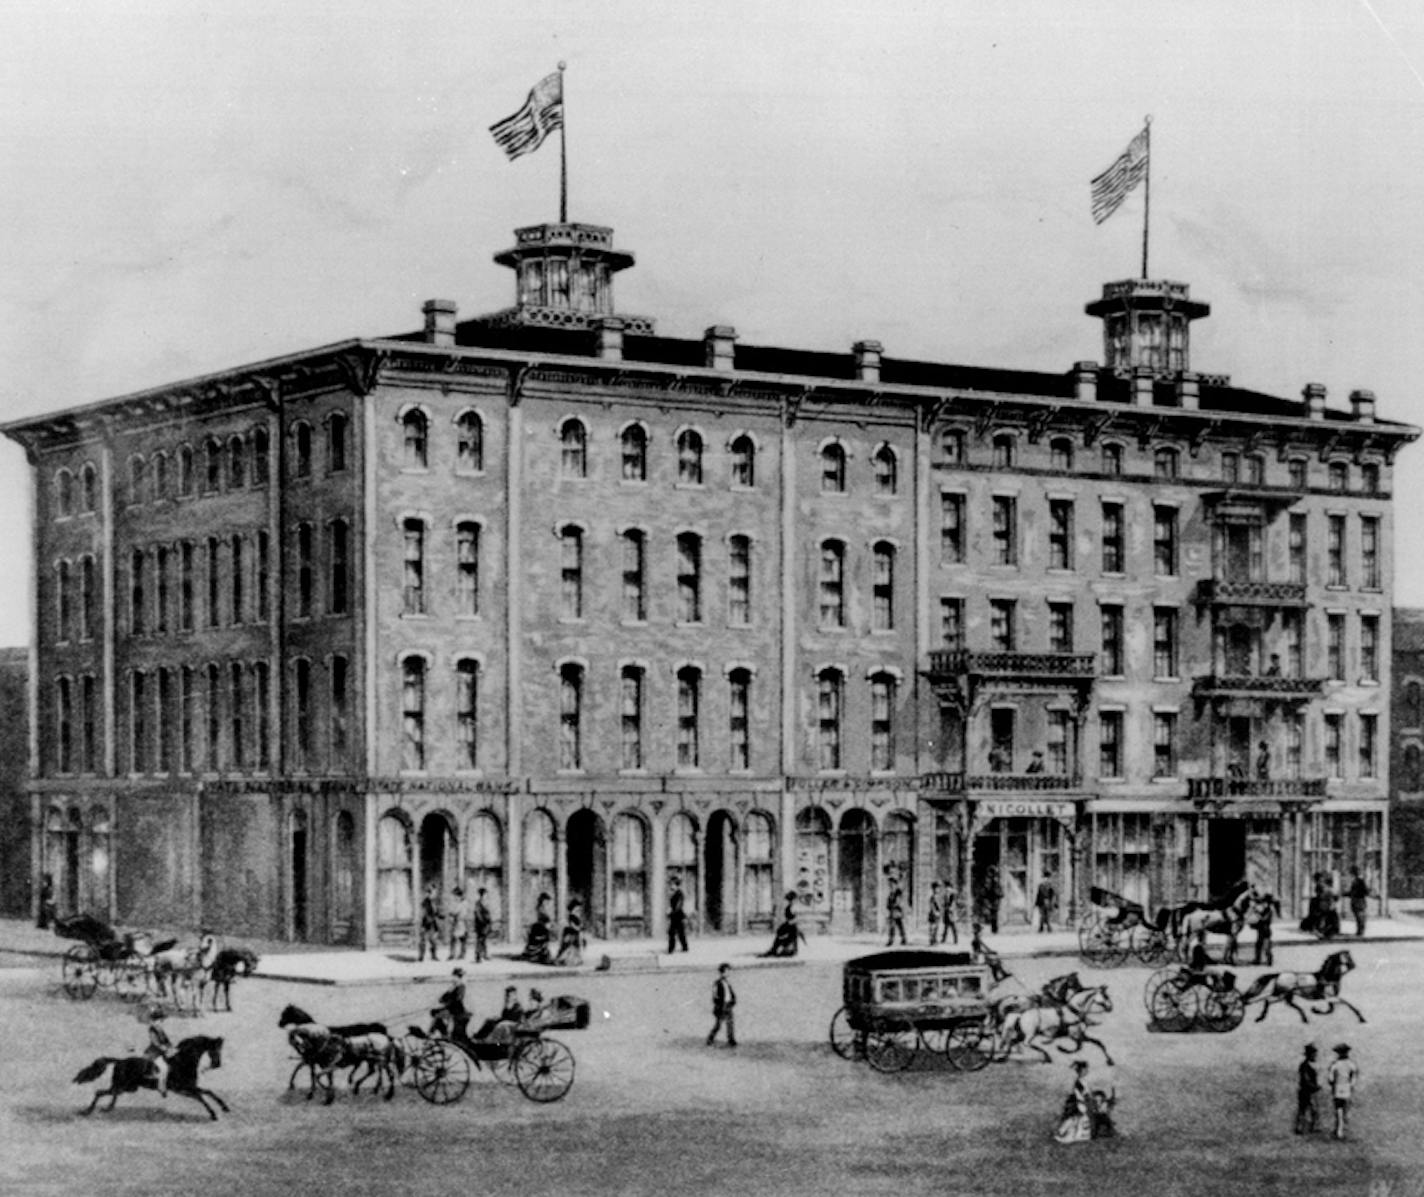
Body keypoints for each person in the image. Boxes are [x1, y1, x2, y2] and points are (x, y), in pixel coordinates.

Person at [1054, 1060, 1114, 1143]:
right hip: (1082, 1103)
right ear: (1081, 1070)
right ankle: (1076, 1134)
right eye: (1085, 1069)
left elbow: (1088, 1093)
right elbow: (1083, 1094)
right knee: (1082, 1118)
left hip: (1086, 1102)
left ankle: (1089, 1133)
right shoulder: (1079, 1082)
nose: (1087, 1071)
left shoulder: (1083, 1081)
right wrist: (1090, 1100)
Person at [1326, 1043, 1359, 1141]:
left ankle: (1339, 1130)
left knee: (1338, 1110)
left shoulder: (1335, 1064)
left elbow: (1330, 1079)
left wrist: (1333, 1084)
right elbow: (1354, 1078)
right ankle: (1342, 1130)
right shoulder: (1351, 1064)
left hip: (1337, 1088)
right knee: (1345, 1110)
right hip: (1347, 1088)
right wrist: (1351, 1085)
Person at [432, 967, 471, 1044]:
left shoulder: (461, 986)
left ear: (458, 977)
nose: (453, 979)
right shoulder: (454, 986)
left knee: (437, 1015)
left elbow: (458, 1000)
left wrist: (446, 1003)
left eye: (455, 977)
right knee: (434, 1013)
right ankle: (441, 1033)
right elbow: (441, 999)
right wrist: (449, 992)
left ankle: (440, 1034)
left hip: (457, 1011)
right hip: (452, 1009)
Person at [761, 892, 805, 958]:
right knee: (780, 934)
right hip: (789, 926)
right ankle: (775, 949)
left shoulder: (794, 908)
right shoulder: (789, 907)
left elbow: (797, 919)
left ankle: (786, 950)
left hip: (792, 927)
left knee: (786, 937)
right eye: (790, 900)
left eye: (792, 900)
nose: (791, 901)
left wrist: (790, 923)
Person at [144, 1007, 176, 1098]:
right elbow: (155, 1043)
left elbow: (167, 1040)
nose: (160, 1022)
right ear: (154, 1021)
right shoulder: (152, 1030)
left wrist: (172, 1047)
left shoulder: (160, 1029)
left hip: (163, 1051)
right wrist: (165, 1049)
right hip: (153, 1053)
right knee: (164, 1067)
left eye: (161, 1020)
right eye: (158, 1020)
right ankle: (161, 1087)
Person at [1249, 885, 1282, 966]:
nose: (1264, 904)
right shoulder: (1264, 910)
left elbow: (1264, 919)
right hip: (1262, 930)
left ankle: (1269, 959)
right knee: (1259, 945)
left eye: (1265, 903)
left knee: (1266, 946)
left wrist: (1258, 915)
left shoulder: (1269, 911)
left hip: (1266, 930)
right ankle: (1258, 959)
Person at [707, 963, 737, 1047]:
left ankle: (731, 1039)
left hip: (728, 1005)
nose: (728, 973)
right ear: (722, 972)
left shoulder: (727, 982)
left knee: (730, 1023)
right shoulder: (717, 983)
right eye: (727, 971)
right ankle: (710, 1038)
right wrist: (718, 1005)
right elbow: (715, 996)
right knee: (718, 1024)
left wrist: (733, 1001)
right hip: (721, 1006)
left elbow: (730, 993)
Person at [1294, 1044, 1321, 1135]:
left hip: (1308, 1091)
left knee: (1310, 1110)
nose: (1315, 1056)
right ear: (1309, 1055)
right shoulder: (1305, 1066)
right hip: (1307, 1091)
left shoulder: (1307, 1065)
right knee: (1305, 1109)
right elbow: (1306, 1079)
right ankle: (1300, 1128)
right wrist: (1315, 1087)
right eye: (1314, 1054)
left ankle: (1308, 1127)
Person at [554, 898, 584, 967]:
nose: (578, 910)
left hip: (574, 933)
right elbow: (573, 925)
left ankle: (574, 960)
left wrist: (579, 928)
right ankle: (567, 960)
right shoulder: (572, 916)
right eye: (577, 908)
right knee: (569, 947)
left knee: (574, 948)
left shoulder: (576, 916)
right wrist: (579, 928)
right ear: (573, 908)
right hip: (571, 934)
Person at [418, 883, 442, 962]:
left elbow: (436, 912)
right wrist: (429, 919)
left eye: (435, 892)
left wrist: (440, 916)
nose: (435, 894)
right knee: (423, 940)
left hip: (432, 924)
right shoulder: (425, 902)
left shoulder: (433, 902)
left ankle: (434, 955)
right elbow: (424, 914)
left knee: (433, 940)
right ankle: (421, 956)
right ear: (429, 893)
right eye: (434, 892)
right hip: (426, 924)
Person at [447, 887, 472, 962]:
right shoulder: (463, 903)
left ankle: (455, 954)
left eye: (455, 896)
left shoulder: (462, 903)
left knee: (456, 939)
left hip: (460, 923)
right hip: (459, 923)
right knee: (460, 939)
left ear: (459, 895)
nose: (454, 898)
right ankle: (458, 954)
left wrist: (451, 912)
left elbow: (455, 912)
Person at [667, 875, 690, 953]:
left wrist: (671, 913)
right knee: (680, 932)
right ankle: (684, 947)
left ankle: (671, 949)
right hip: (676, 915)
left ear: (676, 885)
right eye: (670, 884)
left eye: (672, 884)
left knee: (672, 932)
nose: (670, 886)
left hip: (677, 916)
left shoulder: (679, 894)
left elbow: (678, 906)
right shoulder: (675, 893)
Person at [1347, 869, 1371, 938]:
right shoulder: (1357, 881)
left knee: (1360, 916)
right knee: (1359, 916)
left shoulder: (1358, 881)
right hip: (1358, 900)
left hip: (1358, 900)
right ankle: (1360, 930)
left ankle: (1360, 930)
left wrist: (1352, 894)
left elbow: (1364, 891)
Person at [885, 877, 907, 946]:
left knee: (900, 926)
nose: (890, 885)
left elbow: (898, 902)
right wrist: (888, 906)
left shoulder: (898, 892)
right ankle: (891, 940)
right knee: (893, 926)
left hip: (898, 911)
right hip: (892, 912)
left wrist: (893, 905)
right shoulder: (891, 893)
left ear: (895, 884)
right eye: (890, 884)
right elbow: (888, 902)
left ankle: (903, 939)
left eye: (892, 884)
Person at [980, 866, 1002, 934]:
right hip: (992, 899)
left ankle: (994, 928)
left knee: (993, 914)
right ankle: (994, 928)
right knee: (993, 914)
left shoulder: (993, 881)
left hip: (993, 900)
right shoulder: (993, 880)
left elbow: (989, 889)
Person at [473, 888, 492, 963]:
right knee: (480, 940)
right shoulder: (478, 903)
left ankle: (484, 954)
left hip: (486, 924)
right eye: (485, 894)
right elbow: (477, 914)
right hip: (481, 924)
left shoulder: (485, 902)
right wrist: (482, 921)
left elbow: (488, 913)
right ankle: (478, 956)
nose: (486, 895)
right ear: (482, 895)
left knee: (483, 940)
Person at [940, 879, 959, 945]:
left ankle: (955, 940)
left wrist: (949, 908)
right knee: (946, 927)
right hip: (947, 912)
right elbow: (945, 903)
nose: (946, 889)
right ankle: (944, 939)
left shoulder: (953, 894)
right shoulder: (946, 894)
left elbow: (953, 904)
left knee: (953, 927)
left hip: (951, 913)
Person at [927, 881, 944, 946]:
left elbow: (940, 905)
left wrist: (940, 912)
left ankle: (934, 940)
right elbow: (932, 906)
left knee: (936, 928)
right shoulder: (933, 897)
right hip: (933, 914)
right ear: (933, 889)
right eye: (937, 888)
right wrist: (935, 912)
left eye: (938, 888)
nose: (938, 890)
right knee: (933, 928)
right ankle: (932, 940)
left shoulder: (937, 896)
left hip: (937, 914)